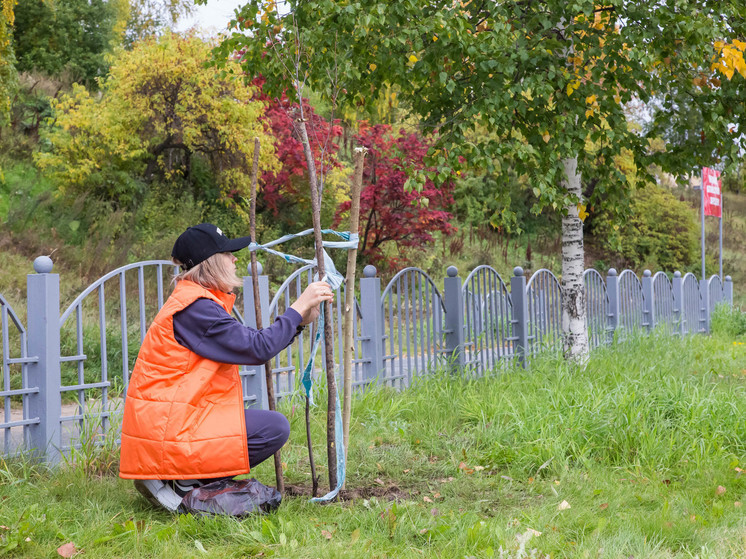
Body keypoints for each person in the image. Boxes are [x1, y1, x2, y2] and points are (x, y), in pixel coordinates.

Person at [119, 223, 333, 511]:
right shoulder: (195, 309)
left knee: (266, 426)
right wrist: (298, 307)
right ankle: (181, 482)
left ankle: (185, 480)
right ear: (211, 262)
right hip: (170, 431)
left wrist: (297, 323)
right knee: (274, 428)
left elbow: (251, 345)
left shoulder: (196, 302)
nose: (235, 259)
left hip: (176, 421)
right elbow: (258, 348)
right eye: (229, 253)